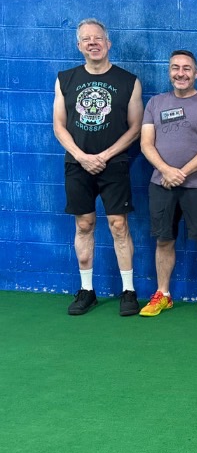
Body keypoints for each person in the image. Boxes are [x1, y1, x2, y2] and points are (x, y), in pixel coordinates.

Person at [53, 19, 144, 316]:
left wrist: (105, 155)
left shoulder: (129, 81)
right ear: (79, 46)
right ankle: (87, 290)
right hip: (77, 163)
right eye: (86, 39)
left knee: (119, 224)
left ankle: (128, 291)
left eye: (98, 38)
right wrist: (82, 156)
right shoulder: (65, 79)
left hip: (114, 163)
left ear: (108, 43)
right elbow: (59, 126)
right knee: (84, 224)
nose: (93, 43)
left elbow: (135, 127)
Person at [139, 50, 197, 318]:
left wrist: (182, 173)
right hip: (161, 184)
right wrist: (166, 171)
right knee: (164, 240)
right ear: (169, 72)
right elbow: (146, 143)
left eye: (187, 68)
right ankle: (163, 294)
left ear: (196, 73)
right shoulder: (155, 103)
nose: (181, 73)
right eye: (175, 68)